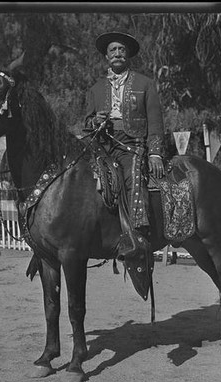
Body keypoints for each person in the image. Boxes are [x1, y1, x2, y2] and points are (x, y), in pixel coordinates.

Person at [84, 31, 165, 244]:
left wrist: (155, 153)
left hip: (132, 144)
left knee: (132, 178)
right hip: (103, 144)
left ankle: (137, 233)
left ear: (127, 55)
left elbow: (155, 121)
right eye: (113, 50)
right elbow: (86, 122)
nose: (117, 53)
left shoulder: (145, 84)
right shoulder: (96, 88)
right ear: (106, 57)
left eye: (121, 50)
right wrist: (95, 121)